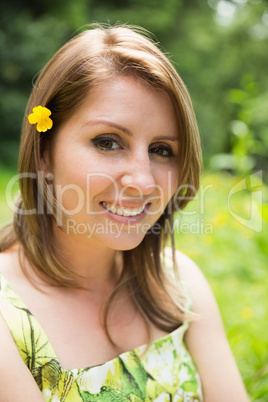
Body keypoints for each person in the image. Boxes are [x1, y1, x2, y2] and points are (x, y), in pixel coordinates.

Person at [0, 24, 249, 401]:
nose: (143, 182)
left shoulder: (179, 284)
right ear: (44, 153)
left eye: (162, 149)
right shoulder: (7, 315)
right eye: (108, 142)